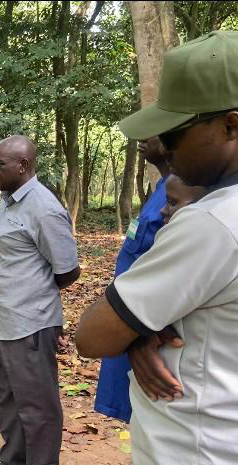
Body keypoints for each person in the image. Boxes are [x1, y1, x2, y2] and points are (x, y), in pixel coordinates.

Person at [75, 30, 238, 465]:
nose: (164, 147)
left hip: (193, 448)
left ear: (231, 124)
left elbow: (92, 335)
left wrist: (132, 333)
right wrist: (140, 331)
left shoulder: (212, 222)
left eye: (176, 132)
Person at [0, 135, 81, 465]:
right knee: (9, 403)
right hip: (0, 323)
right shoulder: (9, 201)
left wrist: (31, 295)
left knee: (38, 410)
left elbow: (67, 271)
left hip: (29, 327)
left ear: (23, 166)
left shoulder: (44, 208)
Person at [94, 137, 171, 423]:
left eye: (153, 130)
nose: (142, 138)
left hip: (152, 332)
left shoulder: (190, 192)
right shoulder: (162, 189)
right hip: (130, 322)